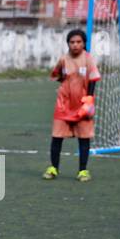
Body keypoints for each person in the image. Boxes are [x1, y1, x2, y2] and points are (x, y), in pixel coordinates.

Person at [44, 28, 101, 183]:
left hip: (82, 105)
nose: (75, 45)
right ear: (68, 43)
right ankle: (53, 168)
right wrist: (66, 86)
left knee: (84, 138)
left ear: (84, 43)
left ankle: (82, 170)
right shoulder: (63, 59)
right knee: (57, 137)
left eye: (79, 42)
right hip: (63, 104)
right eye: (72, 42)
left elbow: (93, 78)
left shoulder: (88, 59)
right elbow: (57, 74)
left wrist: (89, 98)